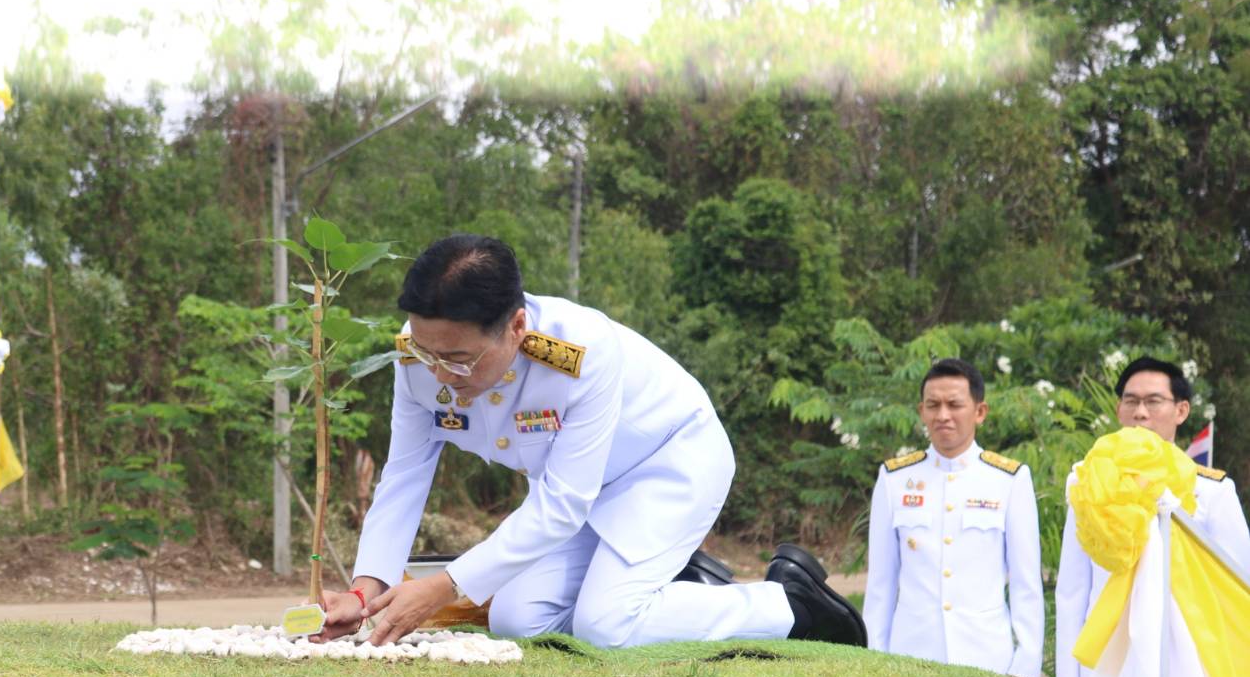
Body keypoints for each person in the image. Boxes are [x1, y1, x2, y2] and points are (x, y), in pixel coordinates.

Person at [315, 233, 865, 649]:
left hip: (669, 461)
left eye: (459, 360)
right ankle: (666, 579)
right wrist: (365, 592)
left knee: (607, 625)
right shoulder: (419, 353)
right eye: (428, 352)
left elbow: (560, 506)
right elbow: (406, 476)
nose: (439, 374)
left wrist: (446, 585)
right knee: (514, 619)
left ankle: (791, 605)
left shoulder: (581, 352)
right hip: (582, 486)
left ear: (517, 327)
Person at [1054, 356, 1250, 677]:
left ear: (1181, 411)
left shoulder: (1212, 491)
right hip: (1107, 659)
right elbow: (1073, 587)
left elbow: (1238, 585)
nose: (1140, 413)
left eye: (1153, 401)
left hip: (1188, 661)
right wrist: (1068, 676)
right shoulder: (1087, 481)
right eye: (1131, 401)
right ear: (1118, 410)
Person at [862, 358, 1044, 677]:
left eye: (954, 404)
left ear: (980, 412)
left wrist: (1025, 665)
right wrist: (875, 658)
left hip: (988, 659)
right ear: (921, 412)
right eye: (933, 405)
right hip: (910, 657)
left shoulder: (1009, 480)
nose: (942, 415)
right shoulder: (894, 479)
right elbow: (880, 584)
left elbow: (1025, 583)